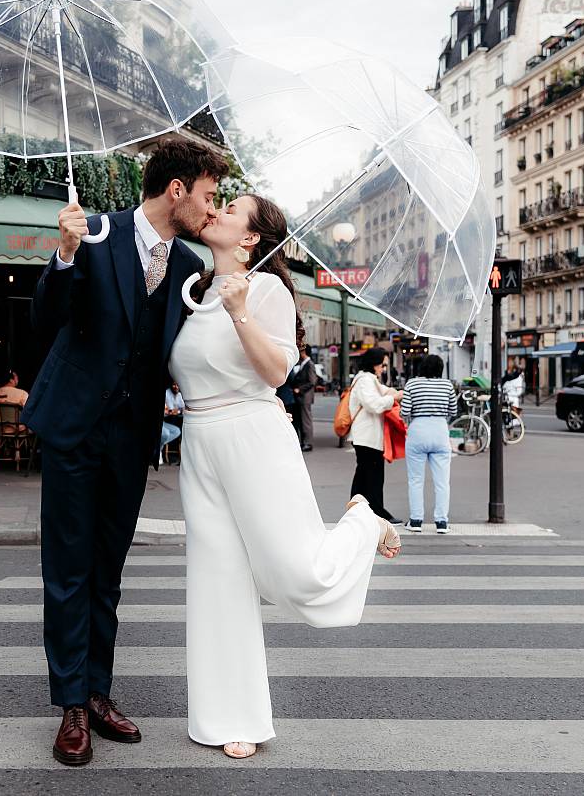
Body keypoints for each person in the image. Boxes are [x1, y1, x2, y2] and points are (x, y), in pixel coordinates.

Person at [171, 193, 400, 761]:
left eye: (230, 210)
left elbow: (276, 371)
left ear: (250, 239)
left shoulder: (265, 289)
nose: (216, 210)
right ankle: (231, 715)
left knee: (299, 573)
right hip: (200, 442)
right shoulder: (191, 291)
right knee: (217, 582)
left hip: (253, 434)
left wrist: (241, 309)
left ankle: (362, 521)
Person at [20, 138, 222, 767]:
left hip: (132, 439)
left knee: (107, 572)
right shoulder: (96, 231)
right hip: (75, 428)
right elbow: (45, 316)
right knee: (69, 571)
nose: (212, 209)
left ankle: (99, 692)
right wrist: (65, 254)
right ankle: (72, 706)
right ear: (177, 189)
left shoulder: (190, 266)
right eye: (209, 196)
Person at [400, 354, 458, 535]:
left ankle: (416, 520)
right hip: (440, 429)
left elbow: (405, 411)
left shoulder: (412, 384)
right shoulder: (447, 385)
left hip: (418, 430)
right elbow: (453, 410)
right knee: (442, 481)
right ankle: (441, 522)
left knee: (415, 480)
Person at [347, 347, 404, 524]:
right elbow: (373, 404)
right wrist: (394, 399)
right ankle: (376, 511)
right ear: (375, 363)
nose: (384, 368)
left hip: (367, 436)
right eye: (383, 364)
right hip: (366, 436)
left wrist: (393, 393)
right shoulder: (365, 380)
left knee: (365, 473)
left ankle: (357, 509)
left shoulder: (369, 380)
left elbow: (384, 390)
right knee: (372, 475)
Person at [289, 346, 318, 451]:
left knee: (306, 420)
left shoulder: (309, 364)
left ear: (304, 351)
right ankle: (304, 442)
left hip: (305, 396)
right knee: (302, 420)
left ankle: (308, 443)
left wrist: (299, 390)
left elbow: (312, 381)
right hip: (302, 397)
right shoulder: (304, 363)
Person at [157, 382, 184, 467]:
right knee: (165, 433)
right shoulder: (166, 393)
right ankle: (158, 452)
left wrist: (177, 410)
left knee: (177, 431)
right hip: (158, 421)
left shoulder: (179, 395)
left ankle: (157, 448)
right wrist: (172, 411)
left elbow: (182, 408)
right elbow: (165, 410)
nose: (176, 387)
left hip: (166, 421)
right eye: (174, 385)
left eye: (177, 385)